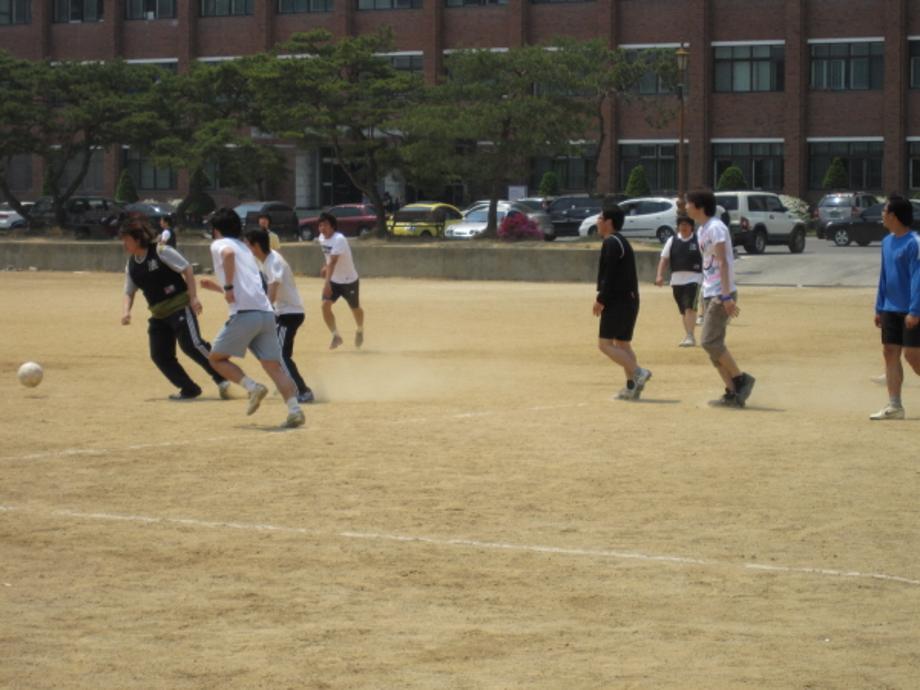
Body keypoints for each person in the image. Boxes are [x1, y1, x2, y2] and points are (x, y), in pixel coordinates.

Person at [200, 208, 305, 428]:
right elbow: (248, 284)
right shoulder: (245, 249)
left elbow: (227, 255)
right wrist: (222, 288)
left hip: (244, 314)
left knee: (215, 359)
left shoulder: (220, 244)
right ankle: (294, 410)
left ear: (216, 230)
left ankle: (252, 387)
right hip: (266, 313)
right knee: (274, 366)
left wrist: (228, 287)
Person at [119, 218, 230, 401]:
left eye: (126, 240)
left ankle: (222, 376)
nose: (124, 244)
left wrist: (193, 297)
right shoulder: (131, 265)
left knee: (192, 345)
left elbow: (187, 269)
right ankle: (189, 389)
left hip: (179, 307)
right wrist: (126, 312)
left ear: (137, 239)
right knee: (159, 355)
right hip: (159, 314)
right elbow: (129, 291)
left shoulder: (161, 251)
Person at [686, 189, 755, 407]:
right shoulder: (702, 229)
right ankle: (732, 391)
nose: (685, 207)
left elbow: (723, 262)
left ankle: (741, 380)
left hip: (720, 292)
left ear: (699, 206)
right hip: (709, 291)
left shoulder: (716, 228)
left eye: (688, 203)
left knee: (709, 341)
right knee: (713, 345)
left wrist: (726, 296)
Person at [243, 227, 315, 404]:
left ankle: (303, 391)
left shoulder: (273, 261)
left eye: (248, 245)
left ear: (256, 246)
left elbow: (272, 290)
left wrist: (263, 313)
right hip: (281, 312)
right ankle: (285, 382)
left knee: (281, 354)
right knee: (265, 347)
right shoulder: (265, 260)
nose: (246, 249)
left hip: (289, 314)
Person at [593, 205, 652, 400]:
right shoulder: (620, 241)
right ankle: (632, 387)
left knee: (604, 344)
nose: (597, 221)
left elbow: (609, 275)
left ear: (608, 222)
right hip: (629, 299)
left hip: (618, 301)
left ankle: (638, 372)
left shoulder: (611, 242)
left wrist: (601, 299)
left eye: (600, 218)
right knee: (623, 344)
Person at [870, 195, 920, 420]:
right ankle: (895, 405)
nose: (882, 215)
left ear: (894, 215)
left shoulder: (915, 243)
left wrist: (915, 310)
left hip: (911, 310)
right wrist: (879, 307)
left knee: (913, 356)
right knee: (890, 352)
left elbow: (918, 278)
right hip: (890, 307)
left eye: (884, 211)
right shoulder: (887, 242)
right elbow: (884, 276)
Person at [318, 212, 365, 350]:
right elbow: (328, 257)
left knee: (355, 308)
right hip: (334, 280)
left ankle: (360, 329)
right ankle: (336, 336)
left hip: (349, 281)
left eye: (325, 225)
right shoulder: (321, 238)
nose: (322, 228)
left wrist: (326, 283)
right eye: (320, 225)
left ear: (333, 226)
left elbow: (333, 262)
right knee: (325, 306)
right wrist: (325, 266)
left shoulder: (339, 239)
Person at [655, 215, 703, 347]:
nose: (684, 227)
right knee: (683, 310)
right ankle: (688, 335)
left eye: (686, 225)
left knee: (689, 308)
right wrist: (659, 275)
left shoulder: (698, 240)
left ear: (692, 227)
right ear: (678, 227)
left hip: (694, 279)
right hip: (676, 281)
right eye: (681, 225)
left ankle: (690, 336)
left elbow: (707, 258)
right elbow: (664, 259)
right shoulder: (672, 240)